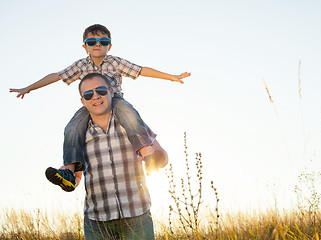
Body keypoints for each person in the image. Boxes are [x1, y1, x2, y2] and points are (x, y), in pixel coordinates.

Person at [9, 24, 190, 191]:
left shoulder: (115, 62)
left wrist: (171, 76)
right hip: (91, 106)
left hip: (115, 100)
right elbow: (56, 76)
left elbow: (141, 70)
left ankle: (145, 151)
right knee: (72, 127)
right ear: (85, 46)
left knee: (128, 113)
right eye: (92, 41)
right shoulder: (81, 65)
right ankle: (69, 170)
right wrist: (29, 88)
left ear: (109, 46)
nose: (98, 45)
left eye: (103, 41)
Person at [78, 73, 156, 239]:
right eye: (88, 94)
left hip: (137, 218)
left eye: (101, 90)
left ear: (112, 92)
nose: (96, 97)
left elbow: (162, 155)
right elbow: (76, 177)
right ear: (83, 101)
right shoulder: (79, 134)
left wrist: (154, 158)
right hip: (96, 223)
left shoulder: (132, 123)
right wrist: (67, 176)